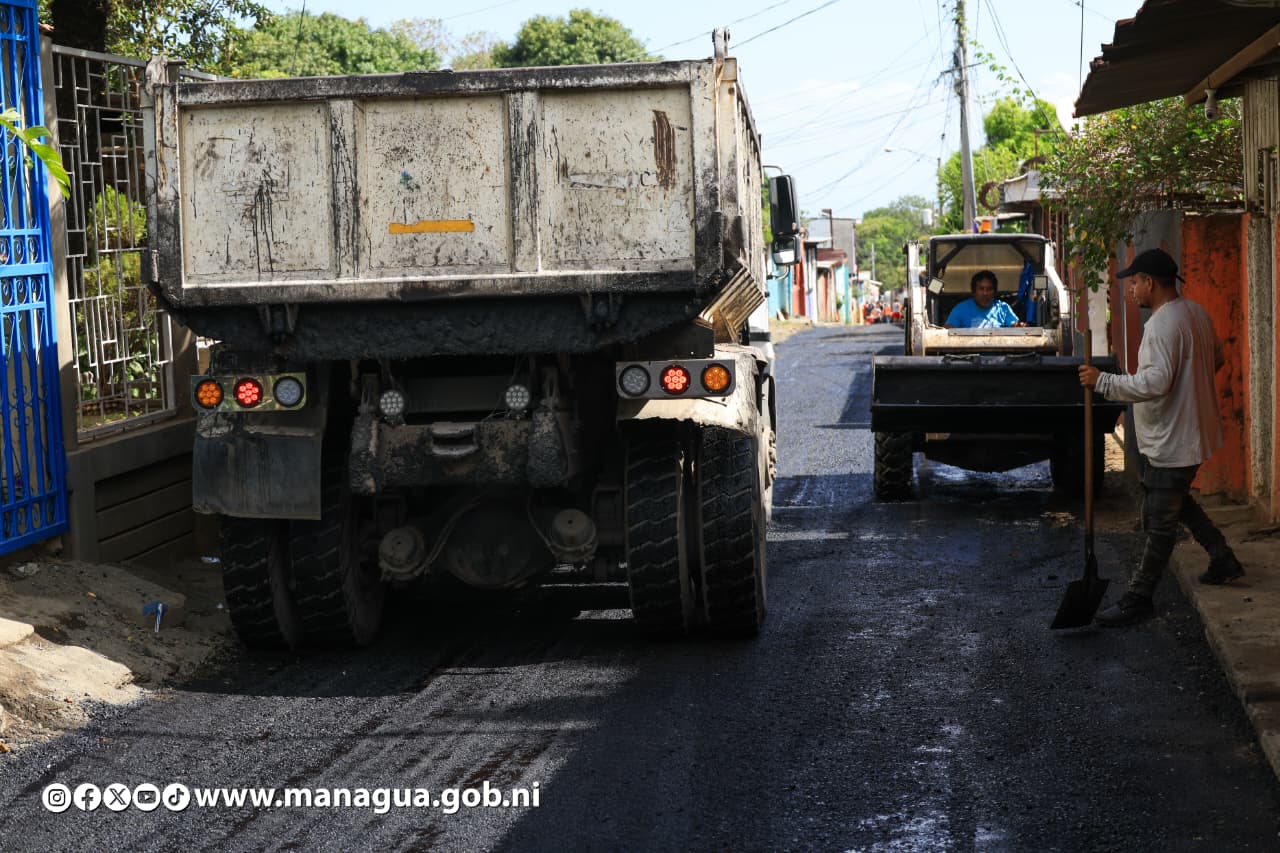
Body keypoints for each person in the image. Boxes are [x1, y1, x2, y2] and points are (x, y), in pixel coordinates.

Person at [1077, 248, 1244, 627]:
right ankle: (1222, 557)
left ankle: (1139, 597)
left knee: (1160, 522)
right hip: (1190, 431)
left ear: (1150, 282)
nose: (1131, 290)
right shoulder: (1196, 313)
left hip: (1175, 437)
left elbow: (1155, 381)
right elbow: (1215, 358)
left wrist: (1102, 381)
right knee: (1174, 501)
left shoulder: (1162, 324)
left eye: (1134, 282)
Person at [944, 270, 1026, 328]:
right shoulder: (960, 309)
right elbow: (947, 330)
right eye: (981, 289)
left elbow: (1015, 327)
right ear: (974, 291)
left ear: (995, 292)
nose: (985, 293)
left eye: (989, 289)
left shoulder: (1003, 308)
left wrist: (1020, 326)